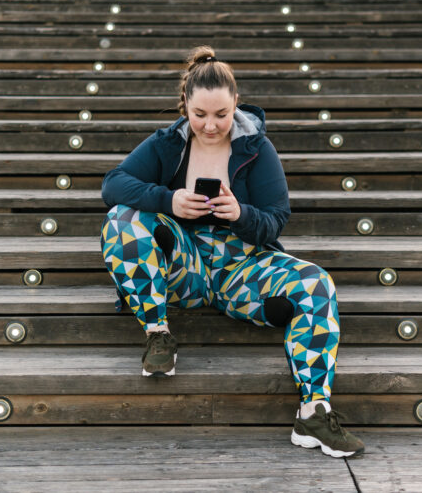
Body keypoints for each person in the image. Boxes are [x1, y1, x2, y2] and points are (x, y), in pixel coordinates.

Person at [99, 45, 364, 458]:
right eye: (200, 114)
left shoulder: (257, 148)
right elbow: (113, 184)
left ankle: (314, 413)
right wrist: (168, 201)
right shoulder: (167, 143)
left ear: (236, 104)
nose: (210, 126)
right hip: (183, 266)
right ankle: (158, 333)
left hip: (242, 267)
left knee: (317, 283)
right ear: (185, 104)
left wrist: (241, 214)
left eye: (221, 115)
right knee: (122, 218)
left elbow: (276, 218)